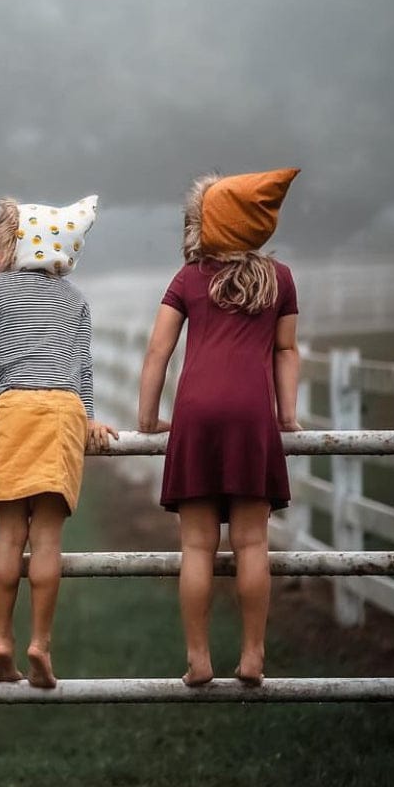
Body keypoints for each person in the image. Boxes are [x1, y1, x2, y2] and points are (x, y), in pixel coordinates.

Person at [0, 195, 118, 688]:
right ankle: (40, 642)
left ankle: (1, 641)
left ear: (22, 249)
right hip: (62, 414)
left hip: (13, 411)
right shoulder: (75, 298)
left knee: (9, 536)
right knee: (48, 538)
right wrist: (91, 419)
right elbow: (83, 368)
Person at [136, 169, 303, 688]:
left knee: (197, 549)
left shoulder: (188, 278)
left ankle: (199, 658)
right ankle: (253, 654)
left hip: (196, 417)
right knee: (253, 544)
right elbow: (286, 350)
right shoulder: (280, 279)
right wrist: (287, 417)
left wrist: (146, 419)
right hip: (252, 415)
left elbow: (158, 349)